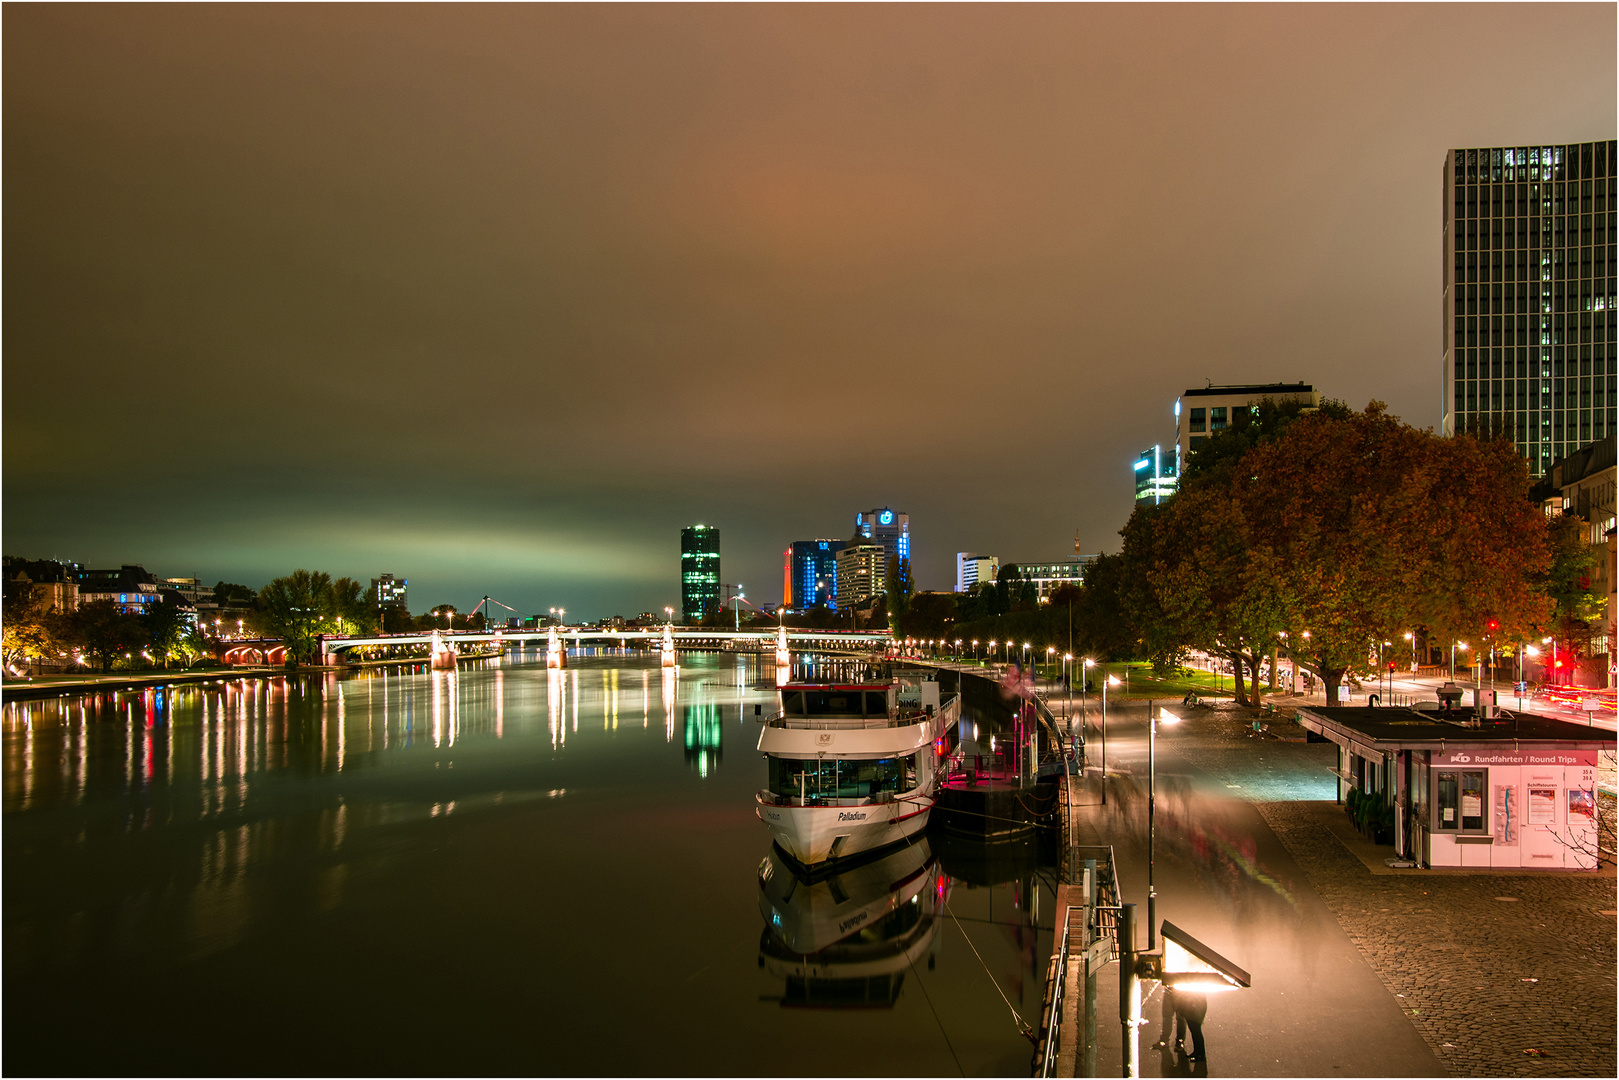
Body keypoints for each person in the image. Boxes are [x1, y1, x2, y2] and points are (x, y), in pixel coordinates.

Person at [1170, 986, 1207, 1062]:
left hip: (1193, 1012)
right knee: (1195, 1033)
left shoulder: (1193, 990)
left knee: (1196, 1032)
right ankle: (1197, 1052)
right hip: (1192, 1012)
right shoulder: (1196, 990)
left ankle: (1200, 1054)